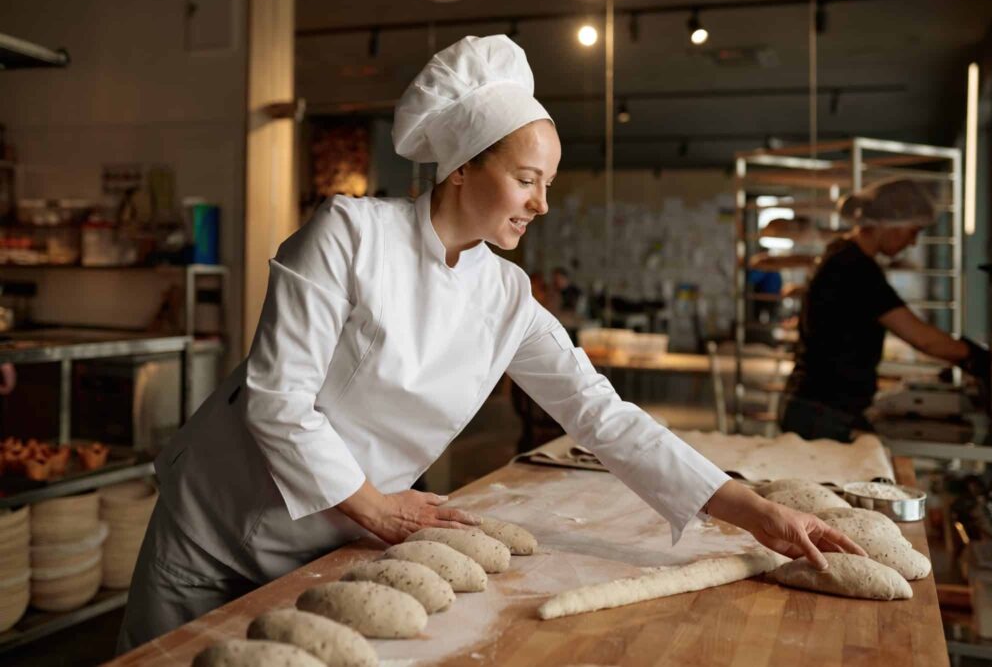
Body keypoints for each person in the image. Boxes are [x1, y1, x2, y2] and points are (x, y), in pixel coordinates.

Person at [116, 35, 863, 653]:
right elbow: (278, 402)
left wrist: (755, 511)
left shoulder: (505, 296)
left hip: (330, 538)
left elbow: (604, 417)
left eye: (548, 184)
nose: (542, 204)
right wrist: (377, 511)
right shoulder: (347, 234)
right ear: (464, 166)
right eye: (527, 179)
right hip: (216, 522)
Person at [780, 178, 990, 442]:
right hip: (823, 409)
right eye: (913, 231)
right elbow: (921, 338)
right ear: (890, 224)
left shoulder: (842, 254)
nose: (913, 243)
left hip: (815, 404)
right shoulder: (855, 269)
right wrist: (982, 360)